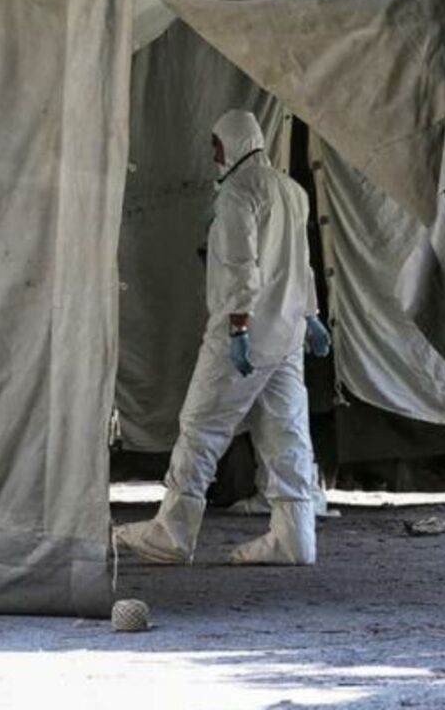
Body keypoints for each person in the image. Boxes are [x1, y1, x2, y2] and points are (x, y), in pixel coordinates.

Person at [114, 109, 331, 566]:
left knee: (201, 426)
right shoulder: (291, 190)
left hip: (248, 332)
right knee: (286, 432)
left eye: (216, 143)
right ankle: (295, 535)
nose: (213, 153)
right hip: (287, 333)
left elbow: (239, 265)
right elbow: (301, 262)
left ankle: (172, 533)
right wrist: (310, 314)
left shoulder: (238, 192)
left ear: (234, 142)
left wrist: (238, 327)